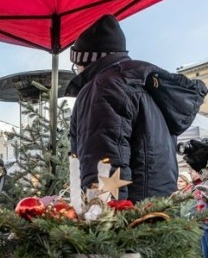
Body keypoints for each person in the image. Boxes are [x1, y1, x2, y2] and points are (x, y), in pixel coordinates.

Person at [66, 14, 207, 203]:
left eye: (77, 66)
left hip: (130, 223)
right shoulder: (145, 85)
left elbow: (103, 165)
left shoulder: (104, 88)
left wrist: (100, 217)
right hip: (160, 215)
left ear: (85, 62)